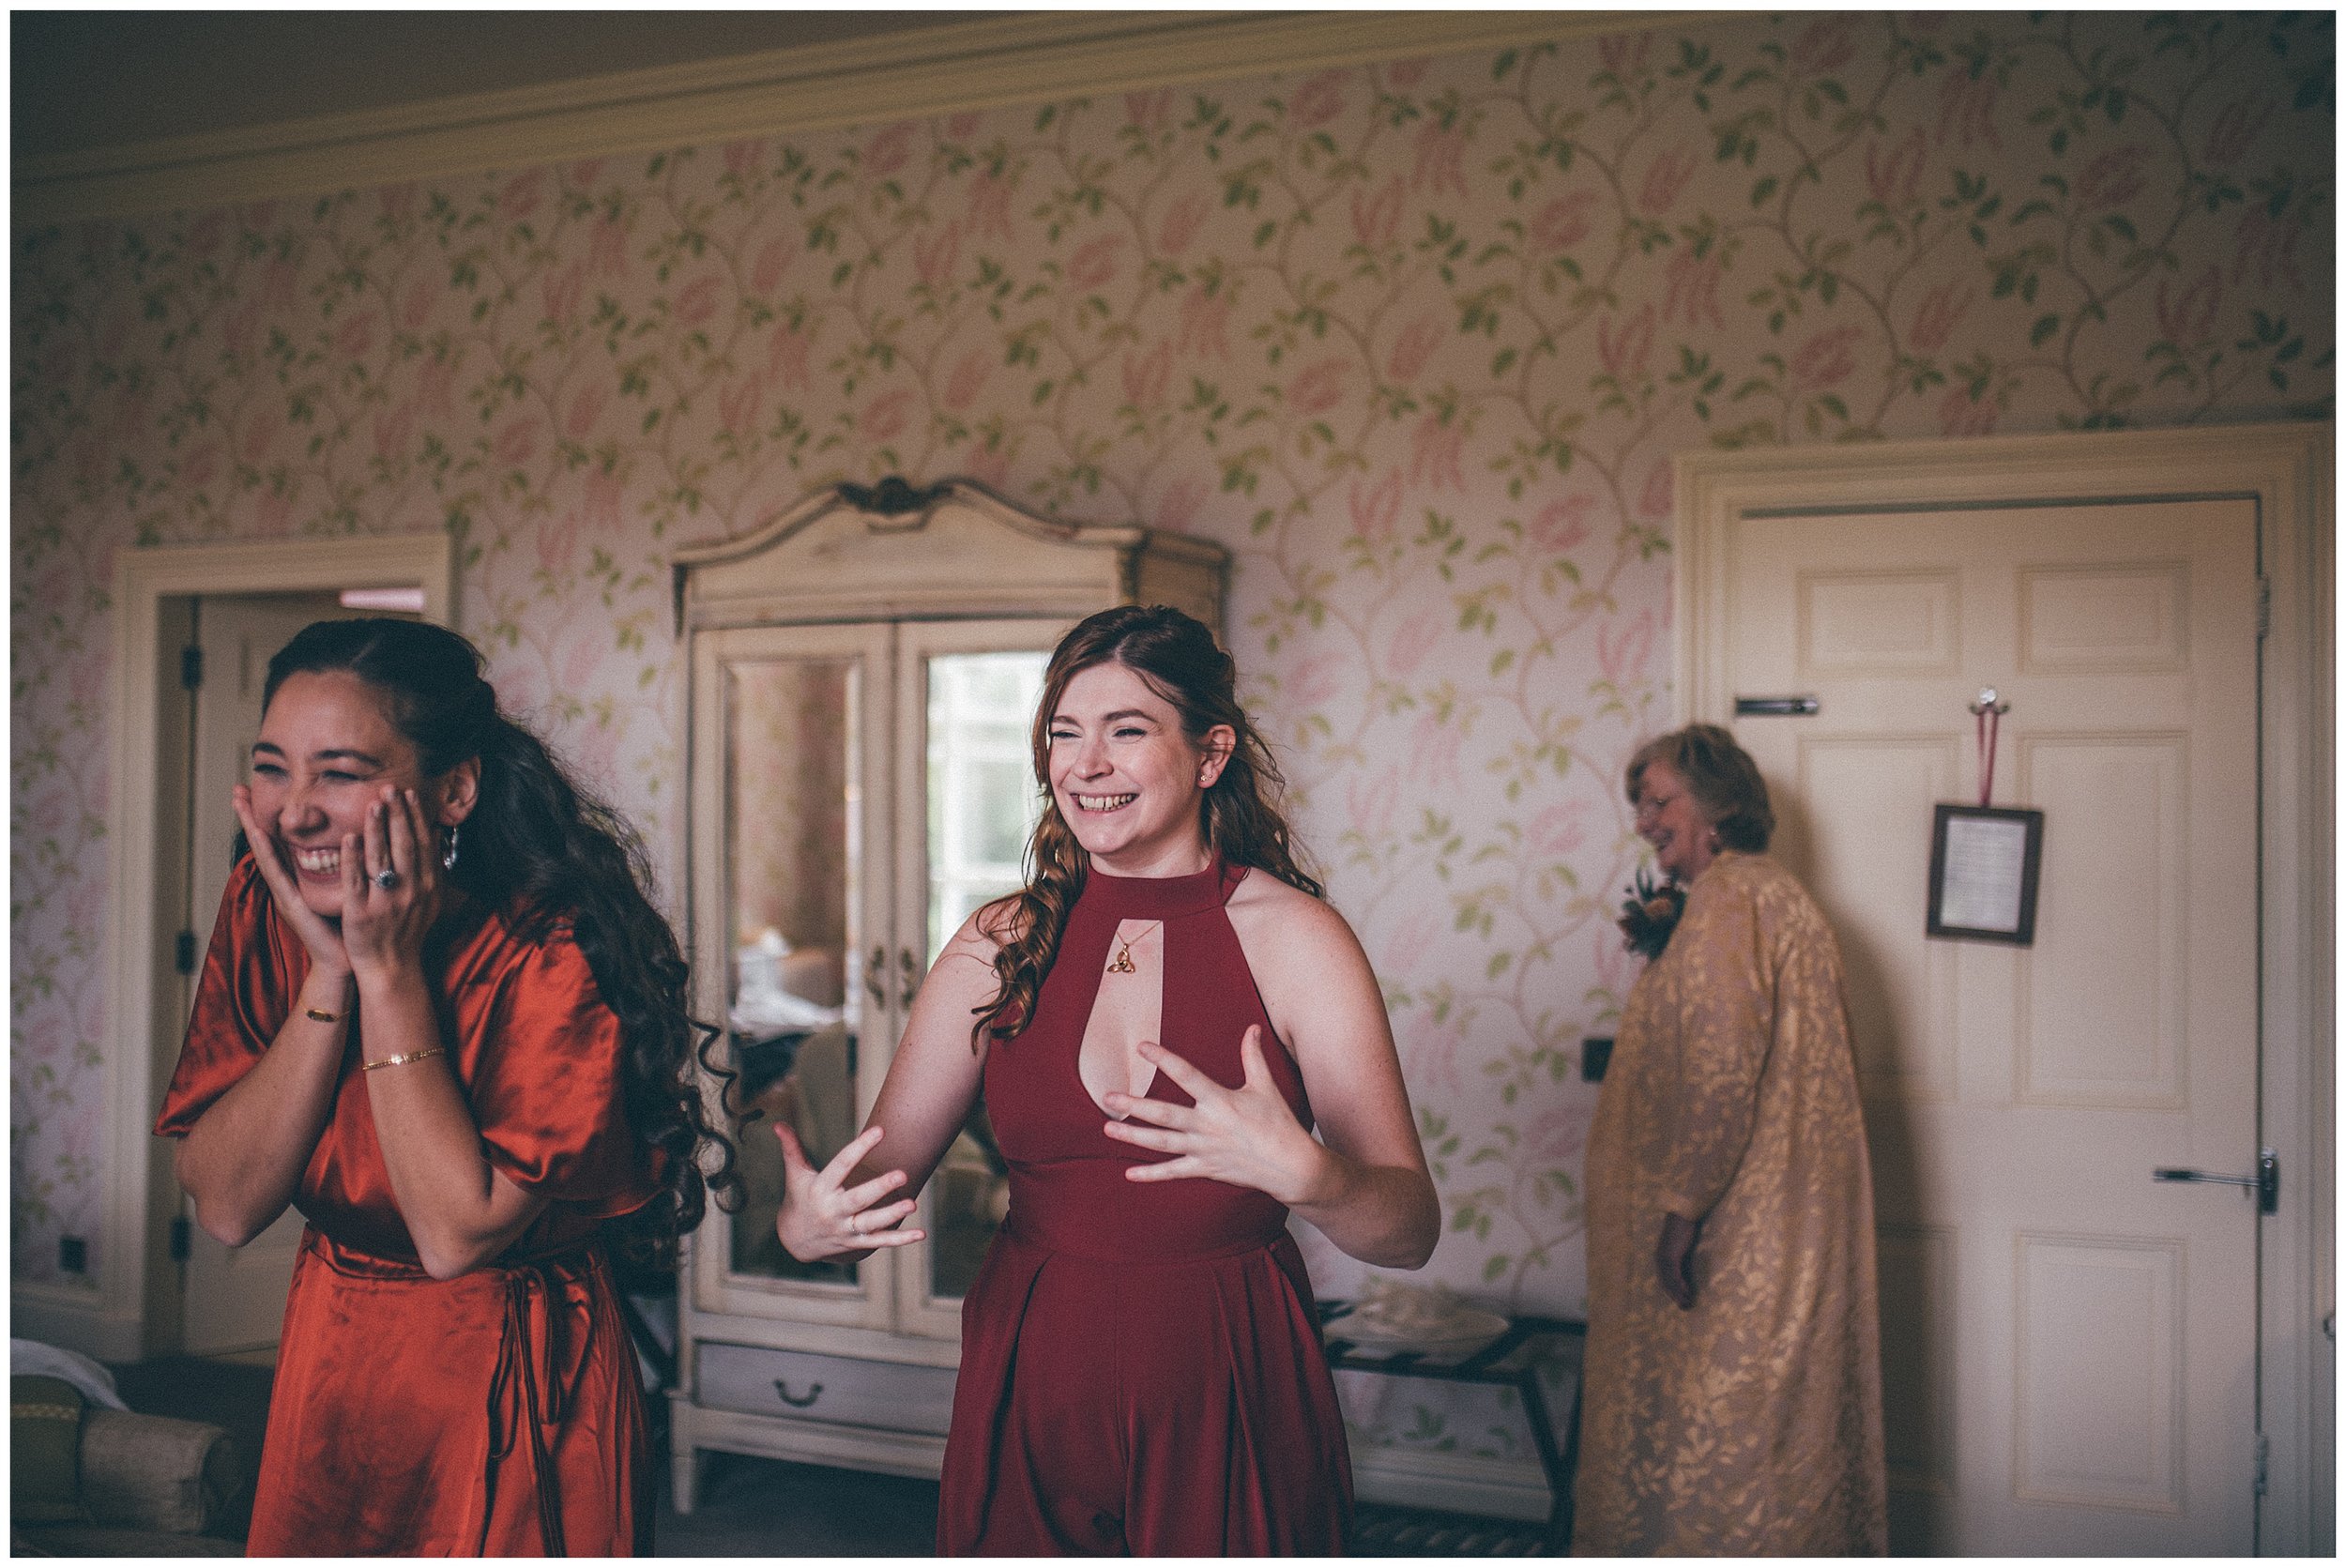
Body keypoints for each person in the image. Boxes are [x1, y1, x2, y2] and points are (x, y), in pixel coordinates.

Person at [773, 603, 1439, 1555]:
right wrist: (807, 1229)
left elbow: (1410, 1232)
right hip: (1031, 1362)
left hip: (1228, 1367)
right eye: (1064, 735)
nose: (1085, 766)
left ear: (1211, 754)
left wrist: (1311, 1177)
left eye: (1126, 732)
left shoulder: (1298, 941)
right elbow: (873, 1190)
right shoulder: (994, 942)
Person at [155, 618, 738, 1556]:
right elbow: (224, 1205)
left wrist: (389, 977)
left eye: (337, 773)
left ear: (454, 789)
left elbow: (453, 1234)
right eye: (273, 767)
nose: (294, 812)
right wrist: (330, 973)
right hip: (332, 1346)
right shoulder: (263, 909)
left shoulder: (554, 946)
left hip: (514, 1364)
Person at [1574, 723, 1887, 1554]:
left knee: (1727, 1448)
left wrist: (1681, 1213)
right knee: (1769, 1446)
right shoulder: (1774, 894)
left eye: (1657, 800)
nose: (1642, 818)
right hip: (1776, 1221)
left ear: (1715, 805)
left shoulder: (1731, 899)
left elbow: (1717, 1068)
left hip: (1736, 1235)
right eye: (1637, 803)